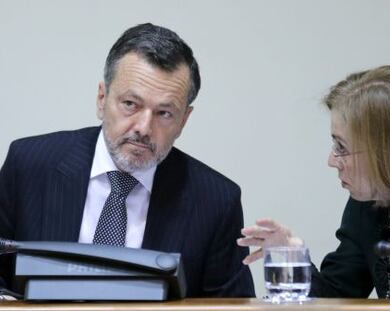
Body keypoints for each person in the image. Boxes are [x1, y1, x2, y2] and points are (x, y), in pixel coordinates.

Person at [0, 23, 254, 298]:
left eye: (164, 113)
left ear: (184, 120)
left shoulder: (215, 201)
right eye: (130, 104)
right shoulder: (29, 165)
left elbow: (233, 305)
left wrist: (294, 262)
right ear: (102, 99)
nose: (144, 128)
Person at [238, 65, 390, 299]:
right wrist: (293, 257)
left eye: (341, 147)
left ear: (387, 151)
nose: (331, 161)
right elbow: (337, 298)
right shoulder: (367, 207)